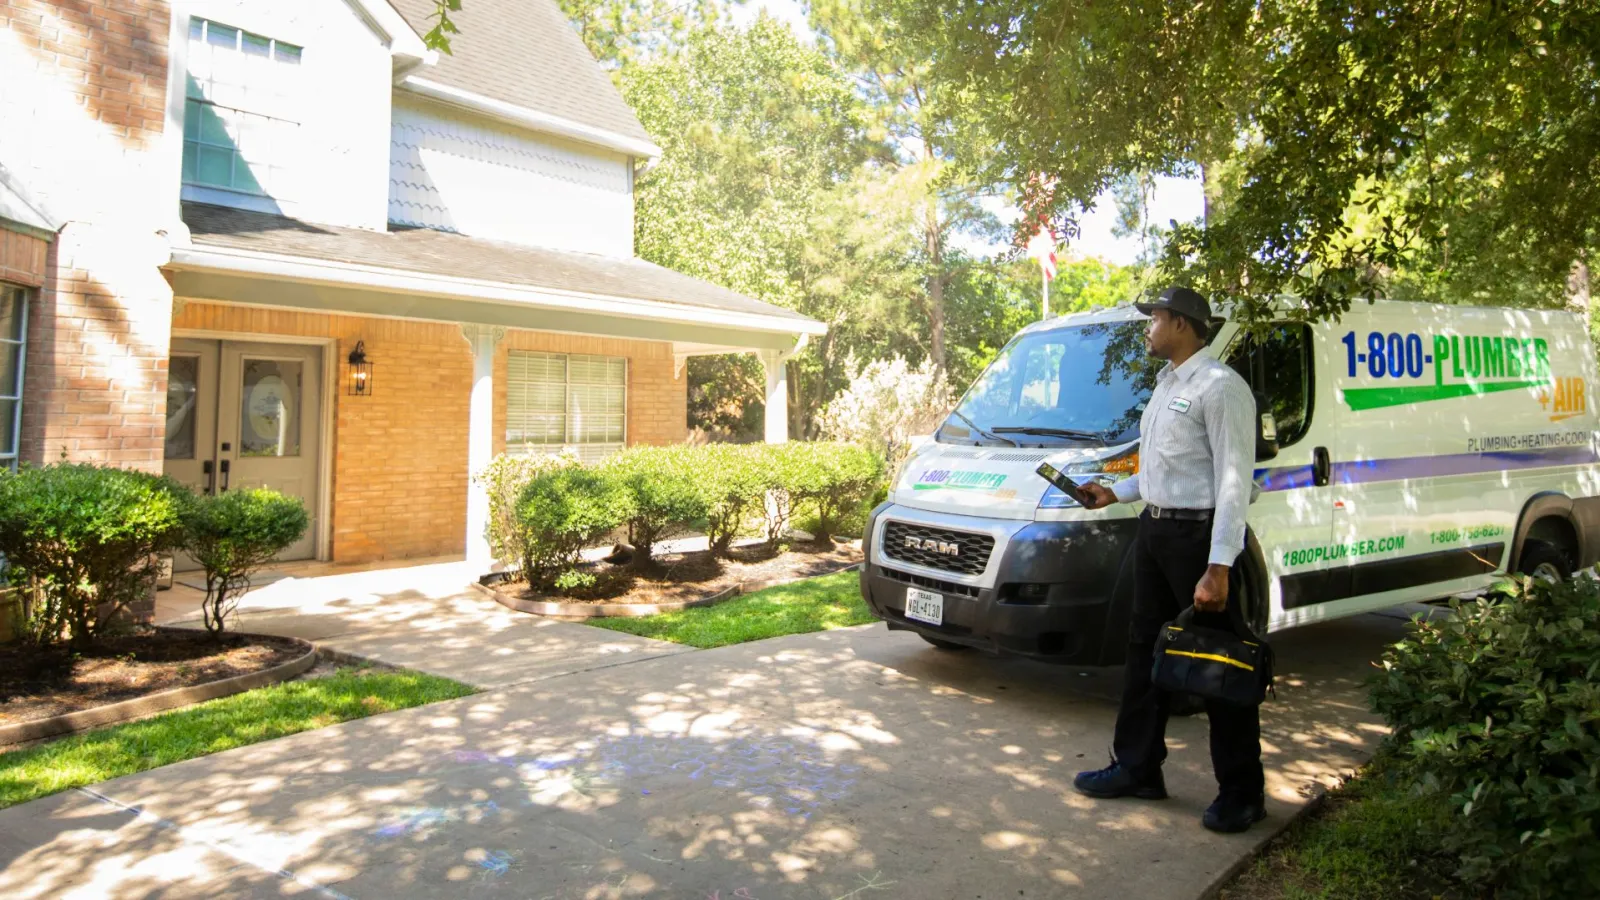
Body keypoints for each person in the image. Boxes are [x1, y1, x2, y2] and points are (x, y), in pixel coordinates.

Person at [1073, 285, 1266, 834]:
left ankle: (1242, 792)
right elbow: (1170, 470)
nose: (1148, 328)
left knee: (1218, 661)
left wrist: (1220, 564)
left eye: (1154, 318)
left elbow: (1233, 481)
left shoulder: (1222, 388)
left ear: (1181, 324)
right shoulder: (1166, 384)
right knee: (1142, 651)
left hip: (1198, 538)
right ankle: (1137, 768)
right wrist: (1118, 491)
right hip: (1155, 531)